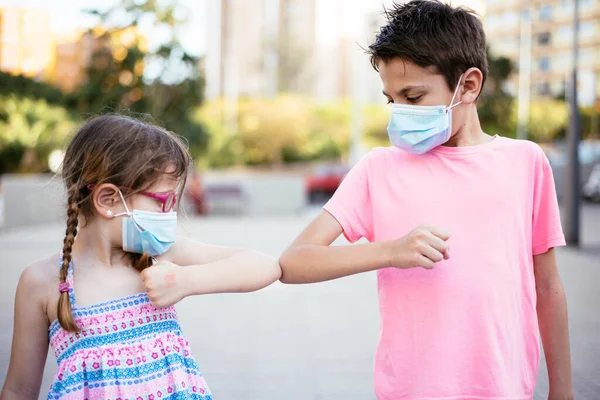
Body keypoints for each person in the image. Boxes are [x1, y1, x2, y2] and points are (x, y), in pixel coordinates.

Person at [279, 1, 572, 399]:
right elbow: (295, 262)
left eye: (413, 97)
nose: (400, 113)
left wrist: (563, 390)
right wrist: (390, 252)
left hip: (504, 389)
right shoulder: (380, 168)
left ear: (468, 85)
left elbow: (549, 288)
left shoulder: (526, 163)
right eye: (391, 99)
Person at [1, 115, 281, 400]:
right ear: (108, 200)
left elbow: (266, 266)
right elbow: (18, 390)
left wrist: (186, 280)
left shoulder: (158, 254)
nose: (169, 214)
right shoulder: (42, 283)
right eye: (163, 201)